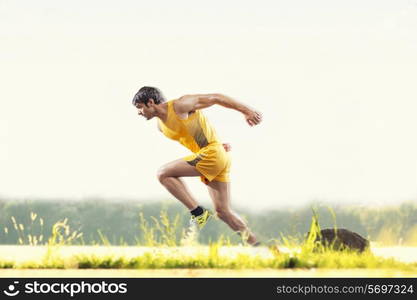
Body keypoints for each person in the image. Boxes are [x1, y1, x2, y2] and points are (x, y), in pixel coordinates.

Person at [132, 86, 262, 245]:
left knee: (163, 174)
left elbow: (216, 97)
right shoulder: (161, 126)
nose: (139, 112)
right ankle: (257, 246)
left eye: (140, 108)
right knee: (223, 212)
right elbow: (195, 133)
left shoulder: (180, 105)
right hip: (213, 155)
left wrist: (246, 111)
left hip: (212, 154)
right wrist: (217, 145)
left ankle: (199, 213)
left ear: (150, 102)